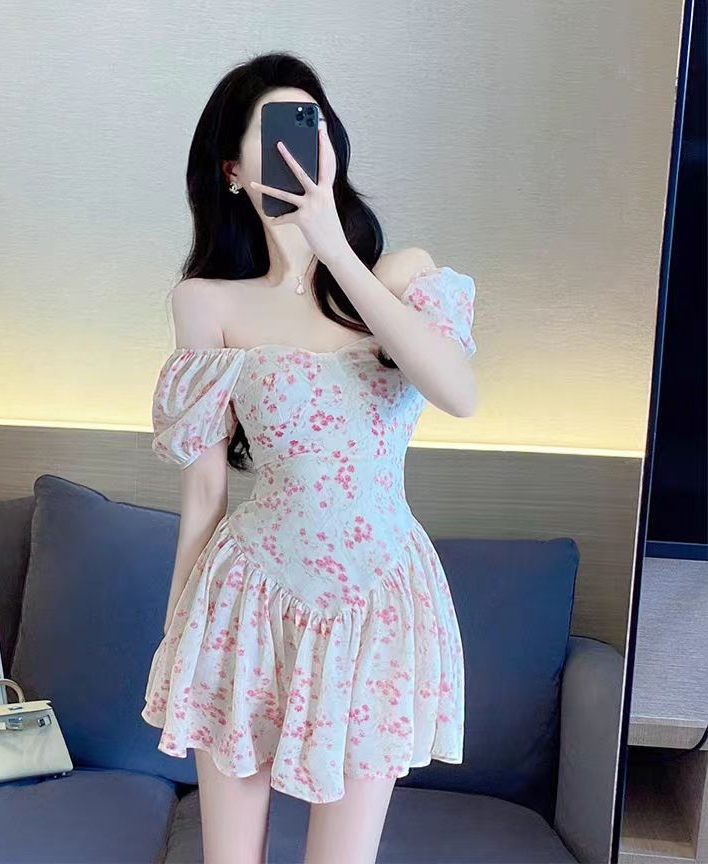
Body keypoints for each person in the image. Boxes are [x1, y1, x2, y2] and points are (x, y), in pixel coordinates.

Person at [141, 51, 477, 864]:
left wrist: (335, 250)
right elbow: (205, 492)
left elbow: (459, 392)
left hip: (378, 603)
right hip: (246, 600)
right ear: (232, 170)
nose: (301, 142)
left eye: (312, 123)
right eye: (276, 131)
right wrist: (178, 632)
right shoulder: (207, 302)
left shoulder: (401, 277)